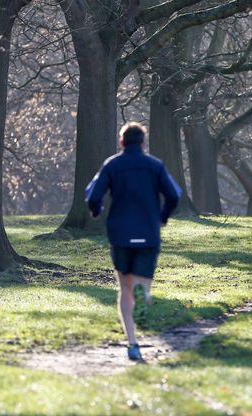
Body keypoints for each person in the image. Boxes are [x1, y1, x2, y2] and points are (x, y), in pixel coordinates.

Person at [85, 122, 181, 361]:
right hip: (148, 232)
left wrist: (96, 210)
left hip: (120, 233)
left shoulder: (112, 164)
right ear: (143, 142)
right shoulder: (155, 166)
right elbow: (173, 194)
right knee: (142, 286)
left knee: (124, 288)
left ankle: (132, 343)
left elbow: (93, 194)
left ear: (121, 142)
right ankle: (143, 296)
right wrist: (163, 217)